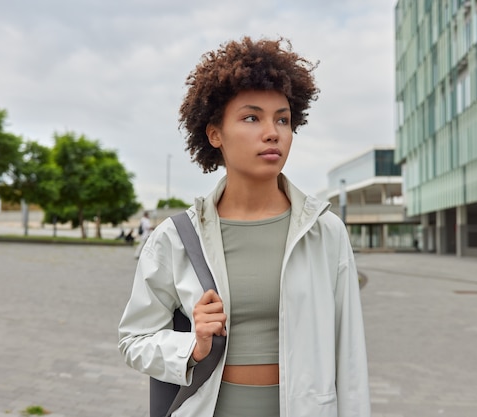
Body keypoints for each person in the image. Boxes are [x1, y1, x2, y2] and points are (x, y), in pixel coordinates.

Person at [118, 36, 370, 416]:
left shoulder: (325, 231)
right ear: (215, 134)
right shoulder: (176, 238)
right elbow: (134, 340)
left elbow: (350, 358)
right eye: (252, 117)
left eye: (282, 119)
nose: (273, 132)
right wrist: (192, 346)